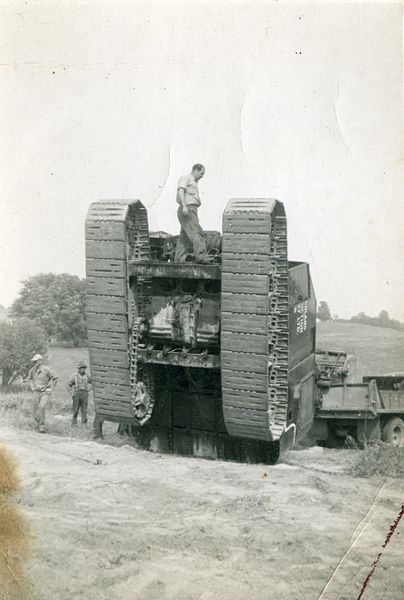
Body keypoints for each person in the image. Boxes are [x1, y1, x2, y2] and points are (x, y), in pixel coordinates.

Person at [174, 163, 213, 263]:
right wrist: (184, 206)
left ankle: (179, 259)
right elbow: (181, 191)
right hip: (187, 209)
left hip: (191, 210)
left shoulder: (194, 182)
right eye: (201, 173)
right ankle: (201, 256)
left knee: (185, 237)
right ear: (195, 170)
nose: (202, 176)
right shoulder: (186, 178)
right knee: (197, 231)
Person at [28, 354, 58, 433]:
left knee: (41, 407)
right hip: (36, 392)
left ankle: (42, 426)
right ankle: (38, 422)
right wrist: (32, 387)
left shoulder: (47, 370)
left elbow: (55, 378)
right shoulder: (32, 370)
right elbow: (30, 378)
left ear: (40, 361)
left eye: (36, 361)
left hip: (45, 392)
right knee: (35, 409)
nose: (35, 363)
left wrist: (51, 388)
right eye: (34, 362)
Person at [67, 360, 92, 426]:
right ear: (79, 369)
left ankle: (84, 425)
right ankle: (74, 425)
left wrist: (89, 389)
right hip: (77, 394)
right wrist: (72, 393)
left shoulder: (87, 376)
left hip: (85, 394)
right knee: (75, 410)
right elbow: (69, 385)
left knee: (84, 410)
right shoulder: (74, 376)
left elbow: (92, 382)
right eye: (81, 368)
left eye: (84, 368)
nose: (82, 369)